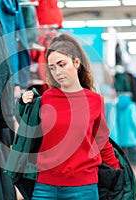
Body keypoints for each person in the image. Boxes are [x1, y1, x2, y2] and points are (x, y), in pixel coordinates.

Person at [20, 33, 120, 200]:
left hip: (83, 188)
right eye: (52, 67)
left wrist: (118, 176)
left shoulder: (94, 101)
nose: (57, 72)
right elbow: (28, 136)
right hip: (44, 187)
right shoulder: (45, 98)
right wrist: (22, 105)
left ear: (76, 62)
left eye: (61, 64)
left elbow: (102, 143)